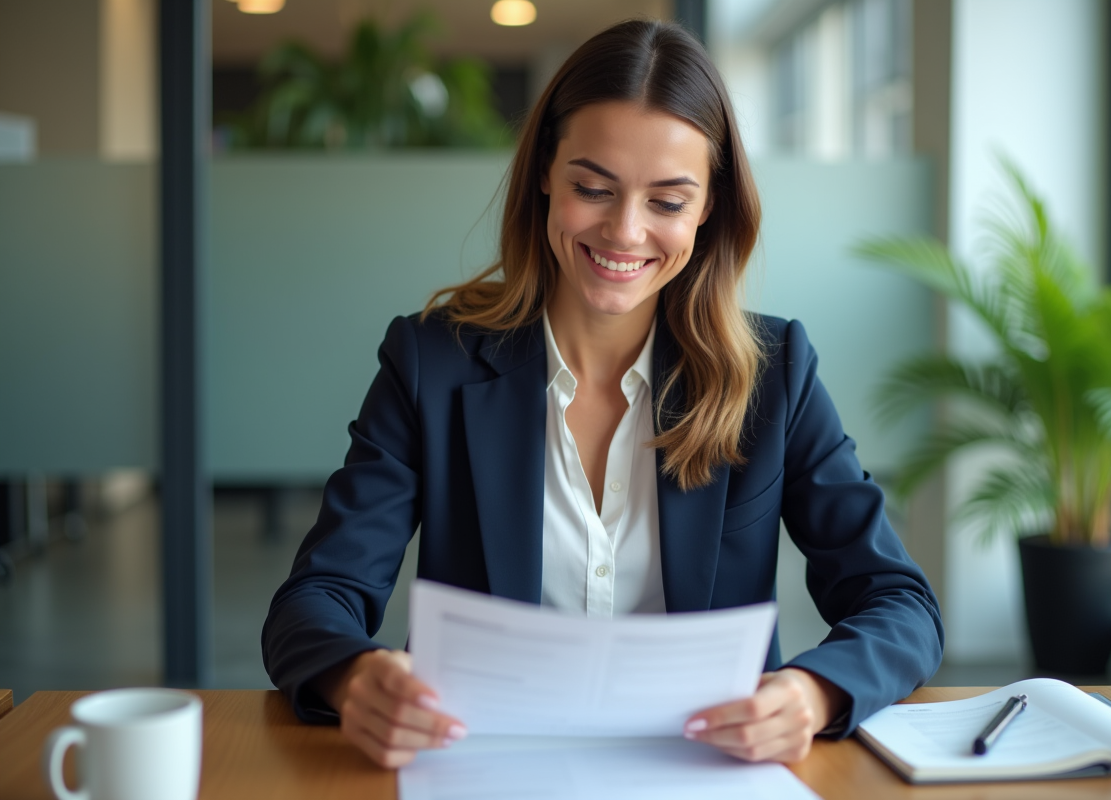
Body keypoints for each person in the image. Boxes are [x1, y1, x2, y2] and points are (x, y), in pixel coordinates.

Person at [262, 18, 943, 770]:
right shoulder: (431, 361)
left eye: (668, 201)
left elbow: (900, 604)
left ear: (710, 207)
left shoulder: (774, 373)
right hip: (483, 767)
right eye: (594, 188)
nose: (625, 231)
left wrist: (812, 695)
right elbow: (314, 599)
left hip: (705, 775)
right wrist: (356, 676)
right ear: (545, 175)